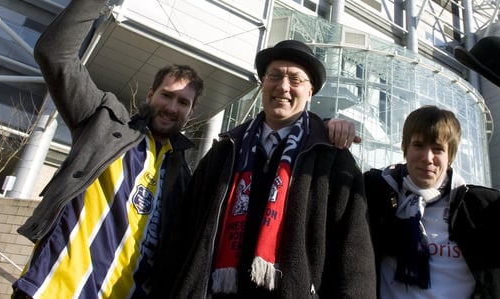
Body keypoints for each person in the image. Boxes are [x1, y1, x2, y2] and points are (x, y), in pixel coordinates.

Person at [11, 0, 361, 299]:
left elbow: (352, 257)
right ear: (149, 95)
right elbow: (55, 54)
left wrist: (324, 129)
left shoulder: (184, 173)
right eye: (166, 95)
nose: (171, 107)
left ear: (191, 113)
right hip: (53, 291)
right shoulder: (104, 125)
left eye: (182, 102)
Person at [153, 39, 376, 298]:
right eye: (275, 76)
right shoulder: (225, 152)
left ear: (310, 91)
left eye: (295, 79)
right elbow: (182, 235)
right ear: (262, 83)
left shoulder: (332, 160)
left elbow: (354, 258)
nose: (283, 86)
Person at [364, 95, 500, 298]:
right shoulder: (375, 193)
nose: (427, 158)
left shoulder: (482, 208)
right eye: (418, 145)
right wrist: (332, 133)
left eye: (438, 149)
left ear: (450, 156)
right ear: (405, 149)